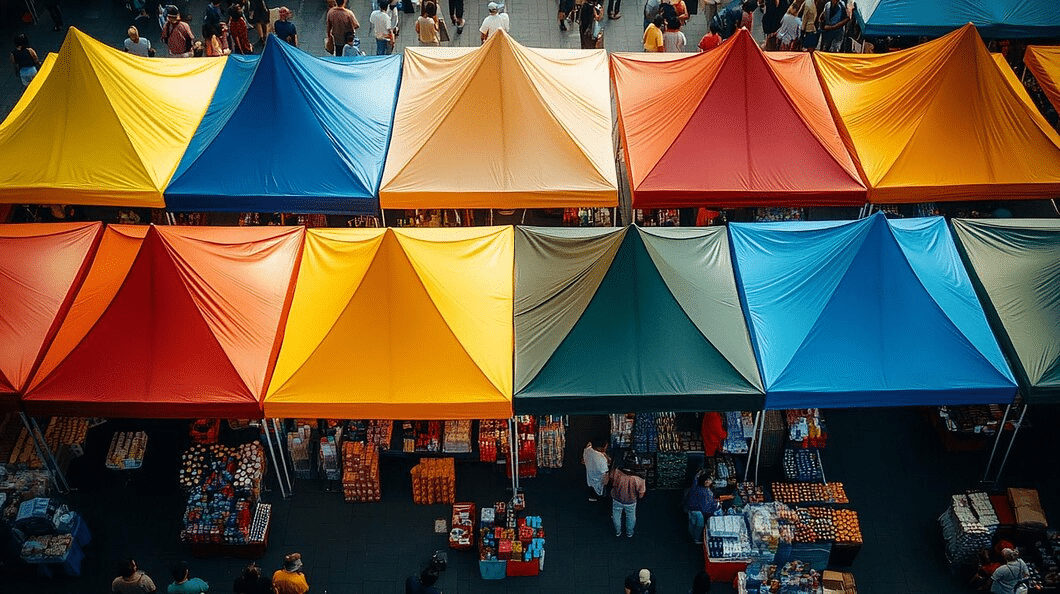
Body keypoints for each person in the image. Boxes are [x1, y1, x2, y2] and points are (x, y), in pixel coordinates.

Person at [607, 461, 646, 538]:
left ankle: (618, 532)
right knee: (631, 517)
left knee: (616, 515)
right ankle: (629, 533)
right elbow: (641, 495)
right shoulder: (639, 479)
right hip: (630, 501)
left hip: (617, 498)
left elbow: (610, 478)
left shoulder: (617, 472)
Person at [685, 471, 724, 543]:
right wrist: (716, 507)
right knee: (699, 525)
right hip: (697, 511)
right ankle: (696, 539)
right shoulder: (706, 492)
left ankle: (690, 533)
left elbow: (695, 479)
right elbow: (706, 507)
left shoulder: (696, 485)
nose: (710, 482)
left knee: (692, 522)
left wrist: (698, 474)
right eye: (709, 481)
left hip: (691, 507)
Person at [582, 438, 610, 502]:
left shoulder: (587, 450)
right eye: (606, 446)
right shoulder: (601, 459)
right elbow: (606, 476)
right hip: (599, 481)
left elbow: (588, 444)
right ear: (601, 448)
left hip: (590, 477)